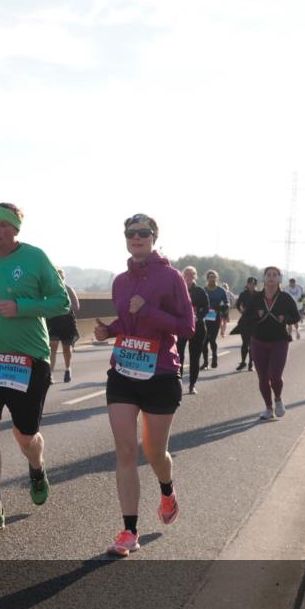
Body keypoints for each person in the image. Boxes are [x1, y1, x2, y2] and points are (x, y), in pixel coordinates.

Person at [0, 202, 69, 535]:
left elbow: (60, 301)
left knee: (25, 434)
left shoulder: (35, 258)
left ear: (16, 229)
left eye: (4, 225)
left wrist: (22, 307)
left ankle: (36, 466)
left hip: (30, 358)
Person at [94, 213, 194, 557]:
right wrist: (110, 329)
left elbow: (188, 327)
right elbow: (127, 320)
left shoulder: (171, 277)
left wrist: (150, 310)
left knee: (154, 452)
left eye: (142, 233)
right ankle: (129, 531)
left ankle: (167, 490)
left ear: (153, 238)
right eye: (130, 233)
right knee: (125, 450)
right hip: (123, 370)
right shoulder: (120, 281)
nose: (136, 237)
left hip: (160, 374)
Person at [245, 266, 299, 421]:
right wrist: (257, 315)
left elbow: (295, 317)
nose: (271, 277)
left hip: (279, 341)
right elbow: (247, 318)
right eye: (268, 275)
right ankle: (268, 408)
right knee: (262, 377)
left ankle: (278, 399)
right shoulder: (255, 298)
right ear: (264, 278)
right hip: (258, 341)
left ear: (279, 279)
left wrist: (285, 319)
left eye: (275, 275)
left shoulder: (285, 298)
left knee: (275, 376)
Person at [175, 266, 208, 394]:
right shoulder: (178, 290)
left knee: (195, 358)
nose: (188, 277)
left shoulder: (200, 291)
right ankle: (178, 385)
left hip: (198, 328)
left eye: (190, 275)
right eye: (186, 274)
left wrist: (198, 317)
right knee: (179, 358)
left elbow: (206, 308)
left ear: (195, 276)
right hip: (181, 327)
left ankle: (192, 385)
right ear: (182, 276)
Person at [46, 268, 81, 382]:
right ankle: (50, 374)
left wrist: (62, 307)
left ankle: (67, 369)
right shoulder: (49, 290)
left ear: (63, 278)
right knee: (52, 347)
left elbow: (76, 306)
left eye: (60, 277)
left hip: (67, 322)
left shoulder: (68, 289)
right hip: (53, 321)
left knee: (66, 348)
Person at [201, 270, 228, 369]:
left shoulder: (221, 291)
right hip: (205, 318)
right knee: (204, 341)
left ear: (216, 278)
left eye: (214, 277)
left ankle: (214, 358)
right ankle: (205, 362)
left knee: (212, 340)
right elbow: (199, 302)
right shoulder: (203, 290)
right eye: (210, 277)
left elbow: (227, 303)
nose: (212, 279)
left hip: (216, 318)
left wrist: (220, 308)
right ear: (207, 278)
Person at [232, 276, 257, 371]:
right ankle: (243, 362)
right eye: (250, 283)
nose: (252, 285)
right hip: (245, 320)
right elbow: (238, 305)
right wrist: (241, 310)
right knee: (245, 343)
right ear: (247, 284)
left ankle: (251, 363)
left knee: (252, 344)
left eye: (254, 284)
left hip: (255, 321)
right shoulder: (243, 294)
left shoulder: (258, 294)